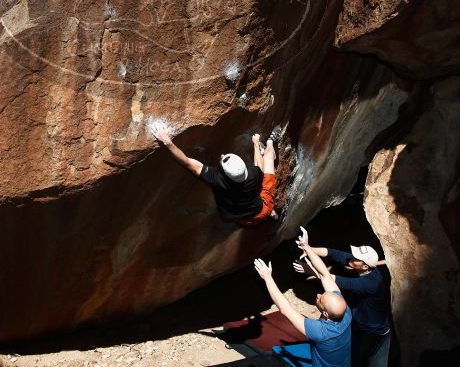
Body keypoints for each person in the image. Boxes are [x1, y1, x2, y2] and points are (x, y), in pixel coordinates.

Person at [253, 226, 352, 367]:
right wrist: (307, 248)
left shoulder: (321, 332)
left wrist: (267, 277)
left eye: (321, 299)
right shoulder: (345, 312)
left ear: (325, 313)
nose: (318, 295)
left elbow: (285, 308)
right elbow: (325, 275)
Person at [293, 232, 390, 367]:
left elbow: (330, 278)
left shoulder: (370, 284)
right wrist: (308, 248)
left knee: (367, 361)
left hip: (372, 332)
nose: (352, 257)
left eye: (357, 258)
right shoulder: (360, 265)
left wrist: (310, 270)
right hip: (360, 322)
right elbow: (333, 253)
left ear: (365, 266)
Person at [151, 125, 280, 226]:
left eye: (224, 159)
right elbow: (259, 164)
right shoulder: (254, 174)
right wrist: (256, 143)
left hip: (241, 218)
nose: (223, 155)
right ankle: (269, 143)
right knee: (268, 157)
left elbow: (187, 162)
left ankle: (271, 214)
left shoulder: (216, 178)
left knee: (252, 216)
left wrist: (168, 143)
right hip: (262, 210)